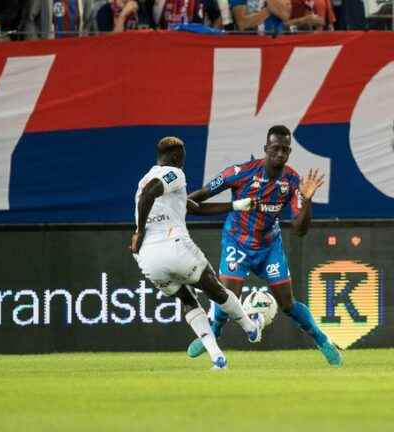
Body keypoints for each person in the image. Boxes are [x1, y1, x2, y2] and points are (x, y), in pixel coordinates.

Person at [185, 125, 342, 366]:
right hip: (237, 241)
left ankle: (322, 340)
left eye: (285, 150)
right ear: (266, 148)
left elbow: (300, 230)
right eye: (276, 148)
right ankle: (214, 330)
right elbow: (199, 197)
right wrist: (178, 205)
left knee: (288, 304)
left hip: (269, 246)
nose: (280, 154)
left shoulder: (291, 181)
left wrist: (307, 201)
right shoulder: (239, 173)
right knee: (227, 297)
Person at [131, 136, 264, 370]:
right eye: (182, 154)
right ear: (174, 156)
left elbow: (196, 208)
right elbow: (150, 193)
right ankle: (250, 327)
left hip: (147, 258)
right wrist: (140, 231)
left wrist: (235, 206)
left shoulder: (144, 180)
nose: (184, 159)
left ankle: (217, 358)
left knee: (187, 300)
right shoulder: (172, 173)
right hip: (171, 244)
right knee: (215, 289)